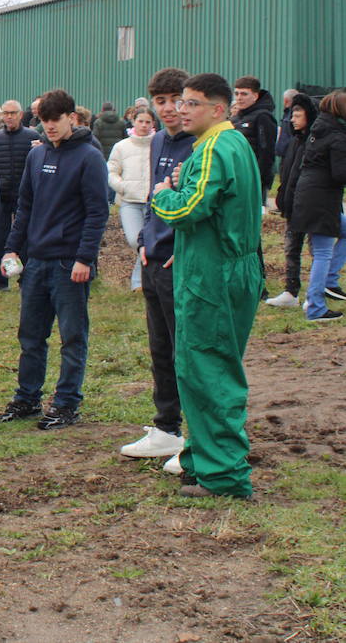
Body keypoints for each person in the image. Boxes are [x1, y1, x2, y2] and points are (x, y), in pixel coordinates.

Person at [150, 73, 261, 498]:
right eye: (182, 102)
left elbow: (193, 207)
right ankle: (203, 457)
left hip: (212, 278)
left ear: (219, 109)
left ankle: (224, 476)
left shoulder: (216, 146)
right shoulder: (232, 144)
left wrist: (163, 194)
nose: (182, 109)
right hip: (225, 266)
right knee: (202, 368)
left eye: (192, 103)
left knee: (209, 370)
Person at [0, 89, 108, 430]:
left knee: (72, 337)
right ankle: (27, 397)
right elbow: (25, 206)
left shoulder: (89, 158)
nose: (49, 128)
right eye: (44, 122)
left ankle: (66, 403)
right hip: (36, 261)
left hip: (68, 263)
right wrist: (13, 247)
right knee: (30, 335)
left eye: (55, 121)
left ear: (71, 118)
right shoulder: (37, 156)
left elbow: (97, 212)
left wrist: (84, 258)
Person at [120, 68, 196, 469]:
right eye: (161, 102)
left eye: (175, 100)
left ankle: (198, 439)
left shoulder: (202, 142)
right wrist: (146, 240)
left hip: (182, 262)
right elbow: (154, 195)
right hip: (154, 259)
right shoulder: (160, 140)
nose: (168, 109)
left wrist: (182, 249)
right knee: (160, 348)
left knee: (188, 349)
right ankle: (166, 428)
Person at [290, 89, 346, 322]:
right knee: (322, 252)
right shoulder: (337, 137)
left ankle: (330, 283)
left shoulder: (318, 130)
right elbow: (340, 174)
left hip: (308, 196)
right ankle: (315, 307)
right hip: (322, 200)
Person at [265, 93, 319, 308]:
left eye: (298, 115)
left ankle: (315, 295)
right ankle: (291, 291)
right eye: (292, 115)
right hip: (291, 205)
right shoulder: (294, 142)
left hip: (308, 204)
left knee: (316, 250)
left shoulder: (314, 142)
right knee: (291, 248)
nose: (293, 119)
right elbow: (287, 173)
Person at [0, 100, 41, 291]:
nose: (9, 116)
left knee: (25, 238)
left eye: (13, 113)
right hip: (0, 197)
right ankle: (1, 281)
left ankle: (25, 277)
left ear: (20, 114)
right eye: (6, 113)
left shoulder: (32, 136)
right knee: (0, 239)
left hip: (25, 197)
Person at [108, 109, 156, 291]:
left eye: (148, 122)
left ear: (153, 124)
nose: (144, 125)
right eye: (141, 121)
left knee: (150, 241)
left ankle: (140, 282)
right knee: (136, 240)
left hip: (154, 202)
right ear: (133, 122)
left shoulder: (158, 144)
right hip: (130, 202)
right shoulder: (122, 146)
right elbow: (111, 171)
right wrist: (123, 187)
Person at [230, 75, 279, 202]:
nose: (239, 98)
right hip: (234, 177)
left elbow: (266, 151)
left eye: (244, 94)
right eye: (236, 93)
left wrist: (259, 179)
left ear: (255, 96)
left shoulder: (263, 117)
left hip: (253, 180)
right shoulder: (235, 118)